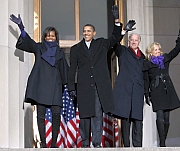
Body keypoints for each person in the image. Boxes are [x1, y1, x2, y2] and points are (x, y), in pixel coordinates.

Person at [67, 5, 135, 148]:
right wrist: (71, 87)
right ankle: (85, 143)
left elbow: (115, 38)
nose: (86, 33)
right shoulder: (75, 49)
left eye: (89, 31)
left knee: (98, 115)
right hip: (84, 86)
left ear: (94, 33)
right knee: (85, 116)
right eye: (84, 31)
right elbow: (72, 69)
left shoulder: (101, 44)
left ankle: (96, 143)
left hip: (99, 86)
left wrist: (117, 21)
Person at [10, 14, 69, 148]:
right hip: (41, 86)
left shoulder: (60, 52)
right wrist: (21, 27)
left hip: (55, 87)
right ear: (44, 37)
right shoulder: (39, 48)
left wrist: (68, 86)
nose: (50, 38)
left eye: (52, 36)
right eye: (48, 35)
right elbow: (28, 42)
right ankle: (43, 143)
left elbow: (64, 70)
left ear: (56, 38)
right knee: (40, 116)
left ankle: (53, 144)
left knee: (56, 115)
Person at [143, 25, 180, 147]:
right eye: (155, 50)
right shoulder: (147, 63)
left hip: (167, 89)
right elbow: (146, 80)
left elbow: (176, 50)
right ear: (150, 52)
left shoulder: (165, 59)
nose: (158, 51)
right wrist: (146, 94)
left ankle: (163, 139)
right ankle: (162, 142)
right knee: (160, 115)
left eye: (159, 49)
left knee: (167, 118)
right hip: (156, 90)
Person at [111, 33, 145, 147]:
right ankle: (126, 146)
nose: (134, 42)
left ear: (139, 42)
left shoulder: (143, 57)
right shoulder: (123, 51)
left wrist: (147, 92)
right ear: (129, 41)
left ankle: (138, 147)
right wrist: (122, 32)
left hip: (137, 92)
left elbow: (146, 76)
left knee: (138, 121)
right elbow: (115, 43)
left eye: (136, 40)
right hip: (125, 91)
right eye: (132, 40)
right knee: (126, 121)